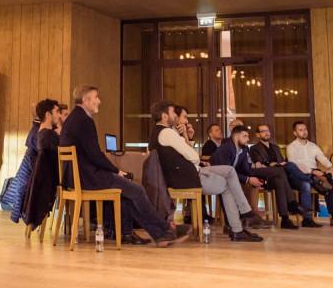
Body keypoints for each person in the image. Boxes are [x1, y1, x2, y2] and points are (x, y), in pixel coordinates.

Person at [59, 85, 184, 247]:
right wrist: (116, 170)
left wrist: (115, 172)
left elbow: (91, 154)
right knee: (137, 190)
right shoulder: (84, 120)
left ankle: (155, 234)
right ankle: (164, 229)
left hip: (77, 177)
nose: (99, 101)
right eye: (96, 97)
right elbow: (95, 155)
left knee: (128, 191)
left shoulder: (73, 119)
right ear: (86, 100)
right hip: (88, 177)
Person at [149, 101, 263, 242]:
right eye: (173, 113)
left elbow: (187, 156)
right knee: (227, 184)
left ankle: (244, 212)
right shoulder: (167, 133)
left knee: (230, 170)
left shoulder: (158, 133)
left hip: (183, 174)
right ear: (165, 116)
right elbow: (194, 157)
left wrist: (185, 137)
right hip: (187, 177)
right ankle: (238, 227)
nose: (176, 116)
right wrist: (185, 142)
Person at [210, 126, 296, 230]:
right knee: (279, 171)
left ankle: (284, 217)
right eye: (245, 136)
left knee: (279, 177)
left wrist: (256, 177)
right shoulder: (226, 148)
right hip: (221, 179)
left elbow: (246, 169)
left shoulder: (243, 149)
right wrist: (247, 179)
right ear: (236, 137)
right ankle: (291, 204)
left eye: (248, 136)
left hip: (236, 176)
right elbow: (227, 172)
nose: (248, 139)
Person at [286, 121, 333, 228]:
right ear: (295, 133)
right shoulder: (291, 147)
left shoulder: (313, 146)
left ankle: (326, 178)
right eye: (300, 130)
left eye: (305, 129)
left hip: (317, 174)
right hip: (302, 175)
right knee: (328, 185)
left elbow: (322, 158)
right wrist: (312, 171)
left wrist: (330, 168)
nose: (304, 132)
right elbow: (294, 165)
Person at [23, 99, 62, 232]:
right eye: (57, 112)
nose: (59, 115)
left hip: (45, 182)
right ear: (48, 115)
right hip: (54, 182)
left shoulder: (42, 134)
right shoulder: (49, 136)